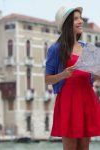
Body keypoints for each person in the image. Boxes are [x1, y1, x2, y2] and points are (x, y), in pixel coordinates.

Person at [45, 6, 100, 150]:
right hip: (68, 101)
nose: (80, 21)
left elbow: (95, 77)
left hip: (87, 98)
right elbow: (47, 79)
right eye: (76, 19)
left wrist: (97, 74)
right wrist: (63, 74)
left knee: (84, 147)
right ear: (66, 24)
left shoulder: (88, 48)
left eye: (80, 18)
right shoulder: (56, 48)